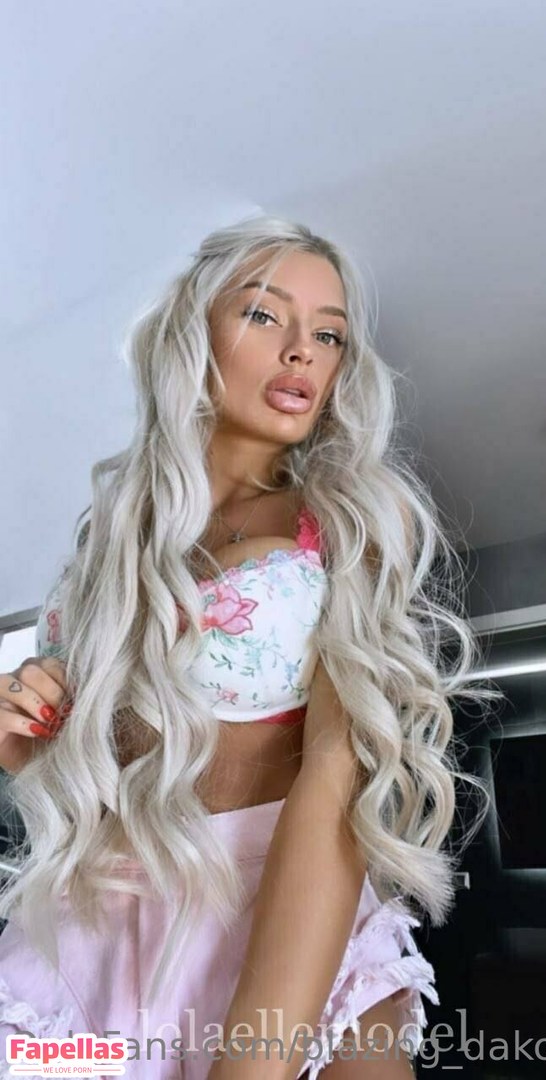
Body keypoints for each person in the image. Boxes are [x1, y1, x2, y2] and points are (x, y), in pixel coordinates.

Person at [0, 215, 495, 1079]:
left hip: (287, 905)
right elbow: (110, 761)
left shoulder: (349, 519)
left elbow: (335, 769)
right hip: (93, 920)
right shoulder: (105, 545)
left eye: (329, 334)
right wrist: (33, 747)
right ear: (192, 331)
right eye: (265, 314)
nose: (302, 350)